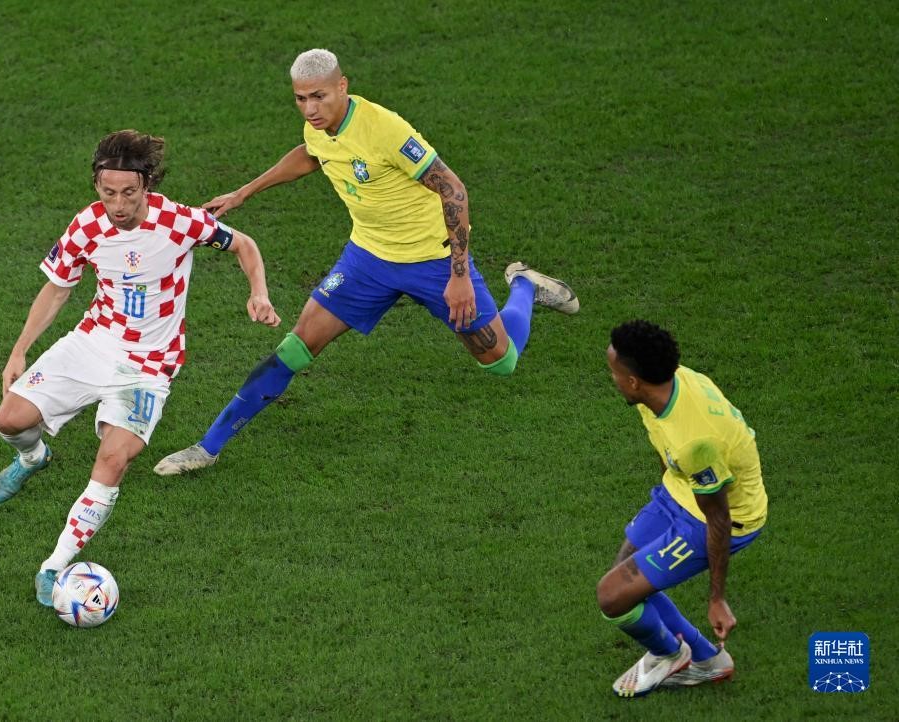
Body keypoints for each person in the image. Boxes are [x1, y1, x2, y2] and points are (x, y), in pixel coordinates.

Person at [153, 48, 578, 476]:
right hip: (368, 260)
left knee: (500, 360)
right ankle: (207, 448)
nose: (309, 109)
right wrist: (244, 192)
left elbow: (453, 190)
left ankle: (524, 285)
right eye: (300, 99)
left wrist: (460, 274)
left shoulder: (385, 130)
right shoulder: (319, 126)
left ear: (342, 86)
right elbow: (311, 153)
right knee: (296, 347)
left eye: (318, 97)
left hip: (432, 261)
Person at [0, 129, 281, 605]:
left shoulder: (179, 221)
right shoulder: (87, 225)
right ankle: (32, 458)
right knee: (10, 419)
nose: (119, 204)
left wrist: (259, 293)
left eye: (129, 193)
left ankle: (55, 564)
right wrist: (20, 349)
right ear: (96, 186)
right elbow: (58, 288)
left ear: (146, 184)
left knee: (114, 457)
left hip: (148, 364)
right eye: (108, 193)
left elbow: (243, 245)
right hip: (92, 343)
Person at [597, 320, 768, 697]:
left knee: (612, 596)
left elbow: (719, 517)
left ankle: (671, 654)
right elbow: (666, 446)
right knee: (623, 581)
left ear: (633, 382)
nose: (612, 378)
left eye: (614, 372)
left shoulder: (696, 441)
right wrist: (665, 497)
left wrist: (717, 598)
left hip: (724, 516)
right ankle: (708, 661)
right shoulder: (664, 386)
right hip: (681, 491)